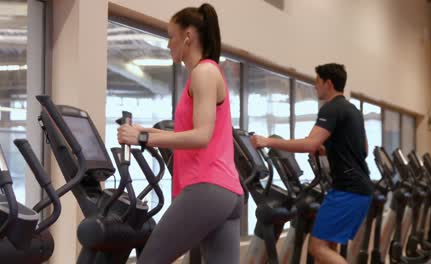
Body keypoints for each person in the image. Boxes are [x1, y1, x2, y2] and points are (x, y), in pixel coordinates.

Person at [117, 3, 244, 264]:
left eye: (170, 37)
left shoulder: (204, 72)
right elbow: (195, 130)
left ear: (188, 36)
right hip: (227, 194)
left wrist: (143, 138)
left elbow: (201, 136)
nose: (167, 45)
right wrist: (144, 130)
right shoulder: (206, 73)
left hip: (207, 187)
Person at [251, 63, 373, 264]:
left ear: (328, 83)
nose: (315, 87)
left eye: (317, 82)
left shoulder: (331, 109)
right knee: (328, 248)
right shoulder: (352, 110)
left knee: (317, 247)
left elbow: (310, 143)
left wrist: (267, 141)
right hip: (358, 189)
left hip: (347, 190)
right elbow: (363, 150)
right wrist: (330, 149)